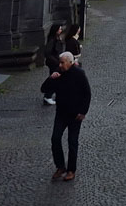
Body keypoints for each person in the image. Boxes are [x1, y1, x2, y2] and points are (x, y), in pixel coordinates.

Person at [41, 51, 92, 181]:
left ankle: (71, 170)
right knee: (55, 139)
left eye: (63, 62)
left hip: (75, 115)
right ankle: (60, 166)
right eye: (60, 62)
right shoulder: (58, 73)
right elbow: (44, 89)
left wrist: (83, 112)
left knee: (72, 142)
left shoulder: (79, 74)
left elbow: (87, 94)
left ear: (70, 62)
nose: (61, 65)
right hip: (61, 113)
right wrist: (51, 78)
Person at [40, 24, 66, 106]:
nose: (60, 30)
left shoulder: (57, 38)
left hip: (57, 61)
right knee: (54, 78)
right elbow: (47, 53)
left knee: (57, 78)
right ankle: (47, 96)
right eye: (59, 29)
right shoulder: (52, 40)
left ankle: (53, 95)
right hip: (54, 63)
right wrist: (57, 62)